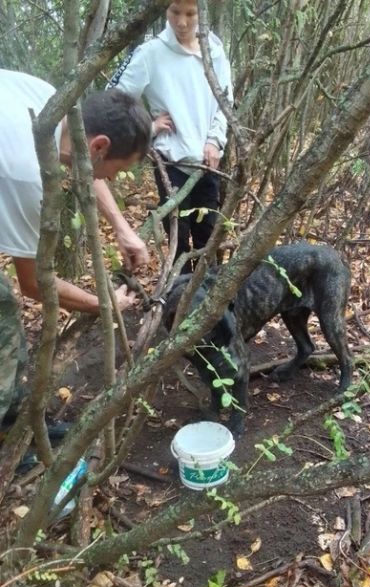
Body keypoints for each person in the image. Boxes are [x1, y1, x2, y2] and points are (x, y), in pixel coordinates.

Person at [0, 68, 152, 441]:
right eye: (119, 171)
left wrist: (121, 226)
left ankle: (12, 427)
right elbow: (36, 284)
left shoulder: (56, 100)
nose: (114, 180)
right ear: (100, 146)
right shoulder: (28, 174)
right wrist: (104, 303)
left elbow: (87, 165)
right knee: (3, 329)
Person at [108, 0, 232, 273]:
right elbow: (115, 100)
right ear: (164, 10)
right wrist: (148, 129)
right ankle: (179, 300)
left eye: (190, 14)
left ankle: (210, 301)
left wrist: (214, 140)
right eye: (175, 12)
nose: (183, 22)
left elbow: (225, 102)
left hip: (207, 163)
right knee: (178, 238)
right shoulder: (150, 53)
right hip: (171, 163)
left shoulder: (215, 50)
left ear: (201, 12)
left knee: (208, 236)